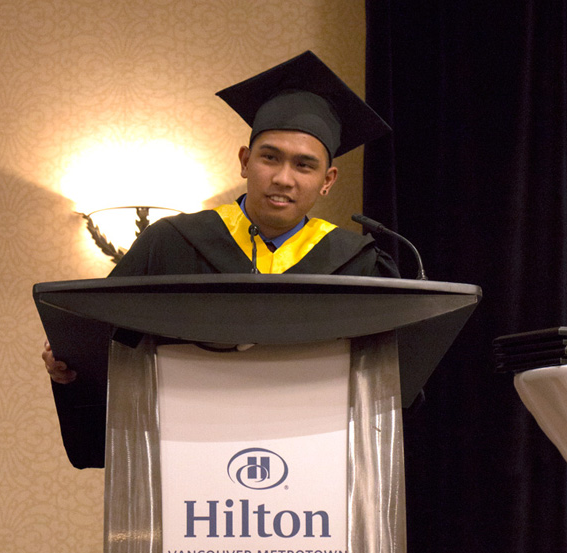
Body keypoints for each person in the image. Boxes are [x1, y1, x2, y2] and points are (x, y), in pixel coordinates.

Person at [42, 51, 400, 467]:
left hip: (314, 467)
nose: (284, 177)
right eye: (270, 157)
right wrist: (69, 367)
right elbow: (104, 354)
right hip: (188, 463)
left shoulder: (357, 263)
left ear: (327, 181)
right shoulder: (173, 243)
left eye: (305, 165)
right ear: (245, 161)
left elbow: (388, 381)